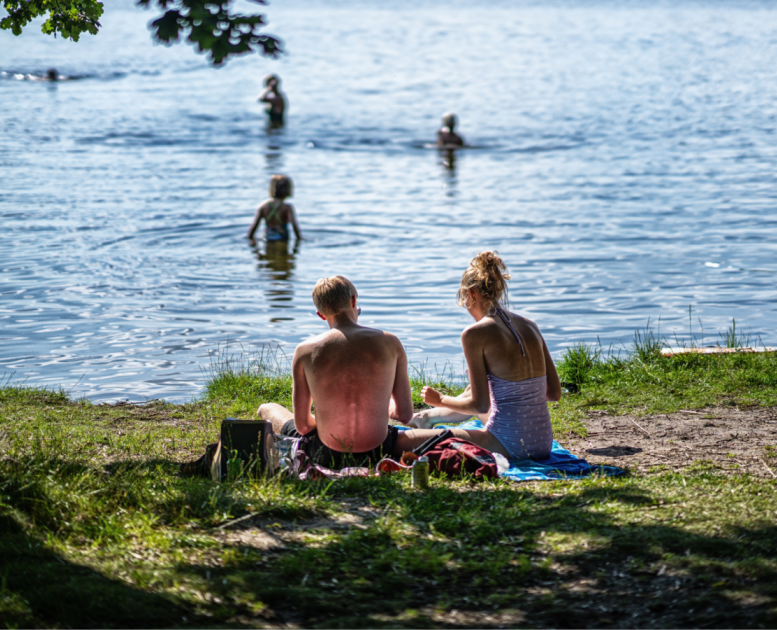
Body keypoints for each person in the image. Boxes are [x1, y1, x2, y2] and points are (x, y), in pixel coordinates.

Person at [397, 251, 562, 460]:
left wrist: (440, 399)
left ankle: (427, 418)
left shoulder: (474, 334)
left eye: (464, 297)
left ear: (471, 293)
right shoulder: (531, 326)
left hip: (510, 444)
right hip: (543, 442)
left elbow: (479, 405)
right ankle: (426, 418)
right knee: (480, 388)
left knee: (403, 441)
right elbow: (553, 394)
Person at [258, 276, 415, 468]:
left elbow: (303, 426)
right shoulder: (391, 342)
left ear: (321, 315)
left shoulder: (304, 350)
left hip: (325, 453)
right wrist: (381, 406)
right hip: (380, 451)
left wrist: (331, 418)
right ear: (354, 301)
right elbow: (405, 415)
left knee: (267, 408)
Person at [247, 175, 302, 243]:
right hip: (282, 237)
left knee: (269, 251)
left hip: (268, 237)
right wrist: (299, 239)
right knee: (283, 252)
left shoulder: (263, 206)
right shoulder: (287, 207)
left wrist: (250, 239)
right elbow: (294, 225)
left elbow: (254, 227)